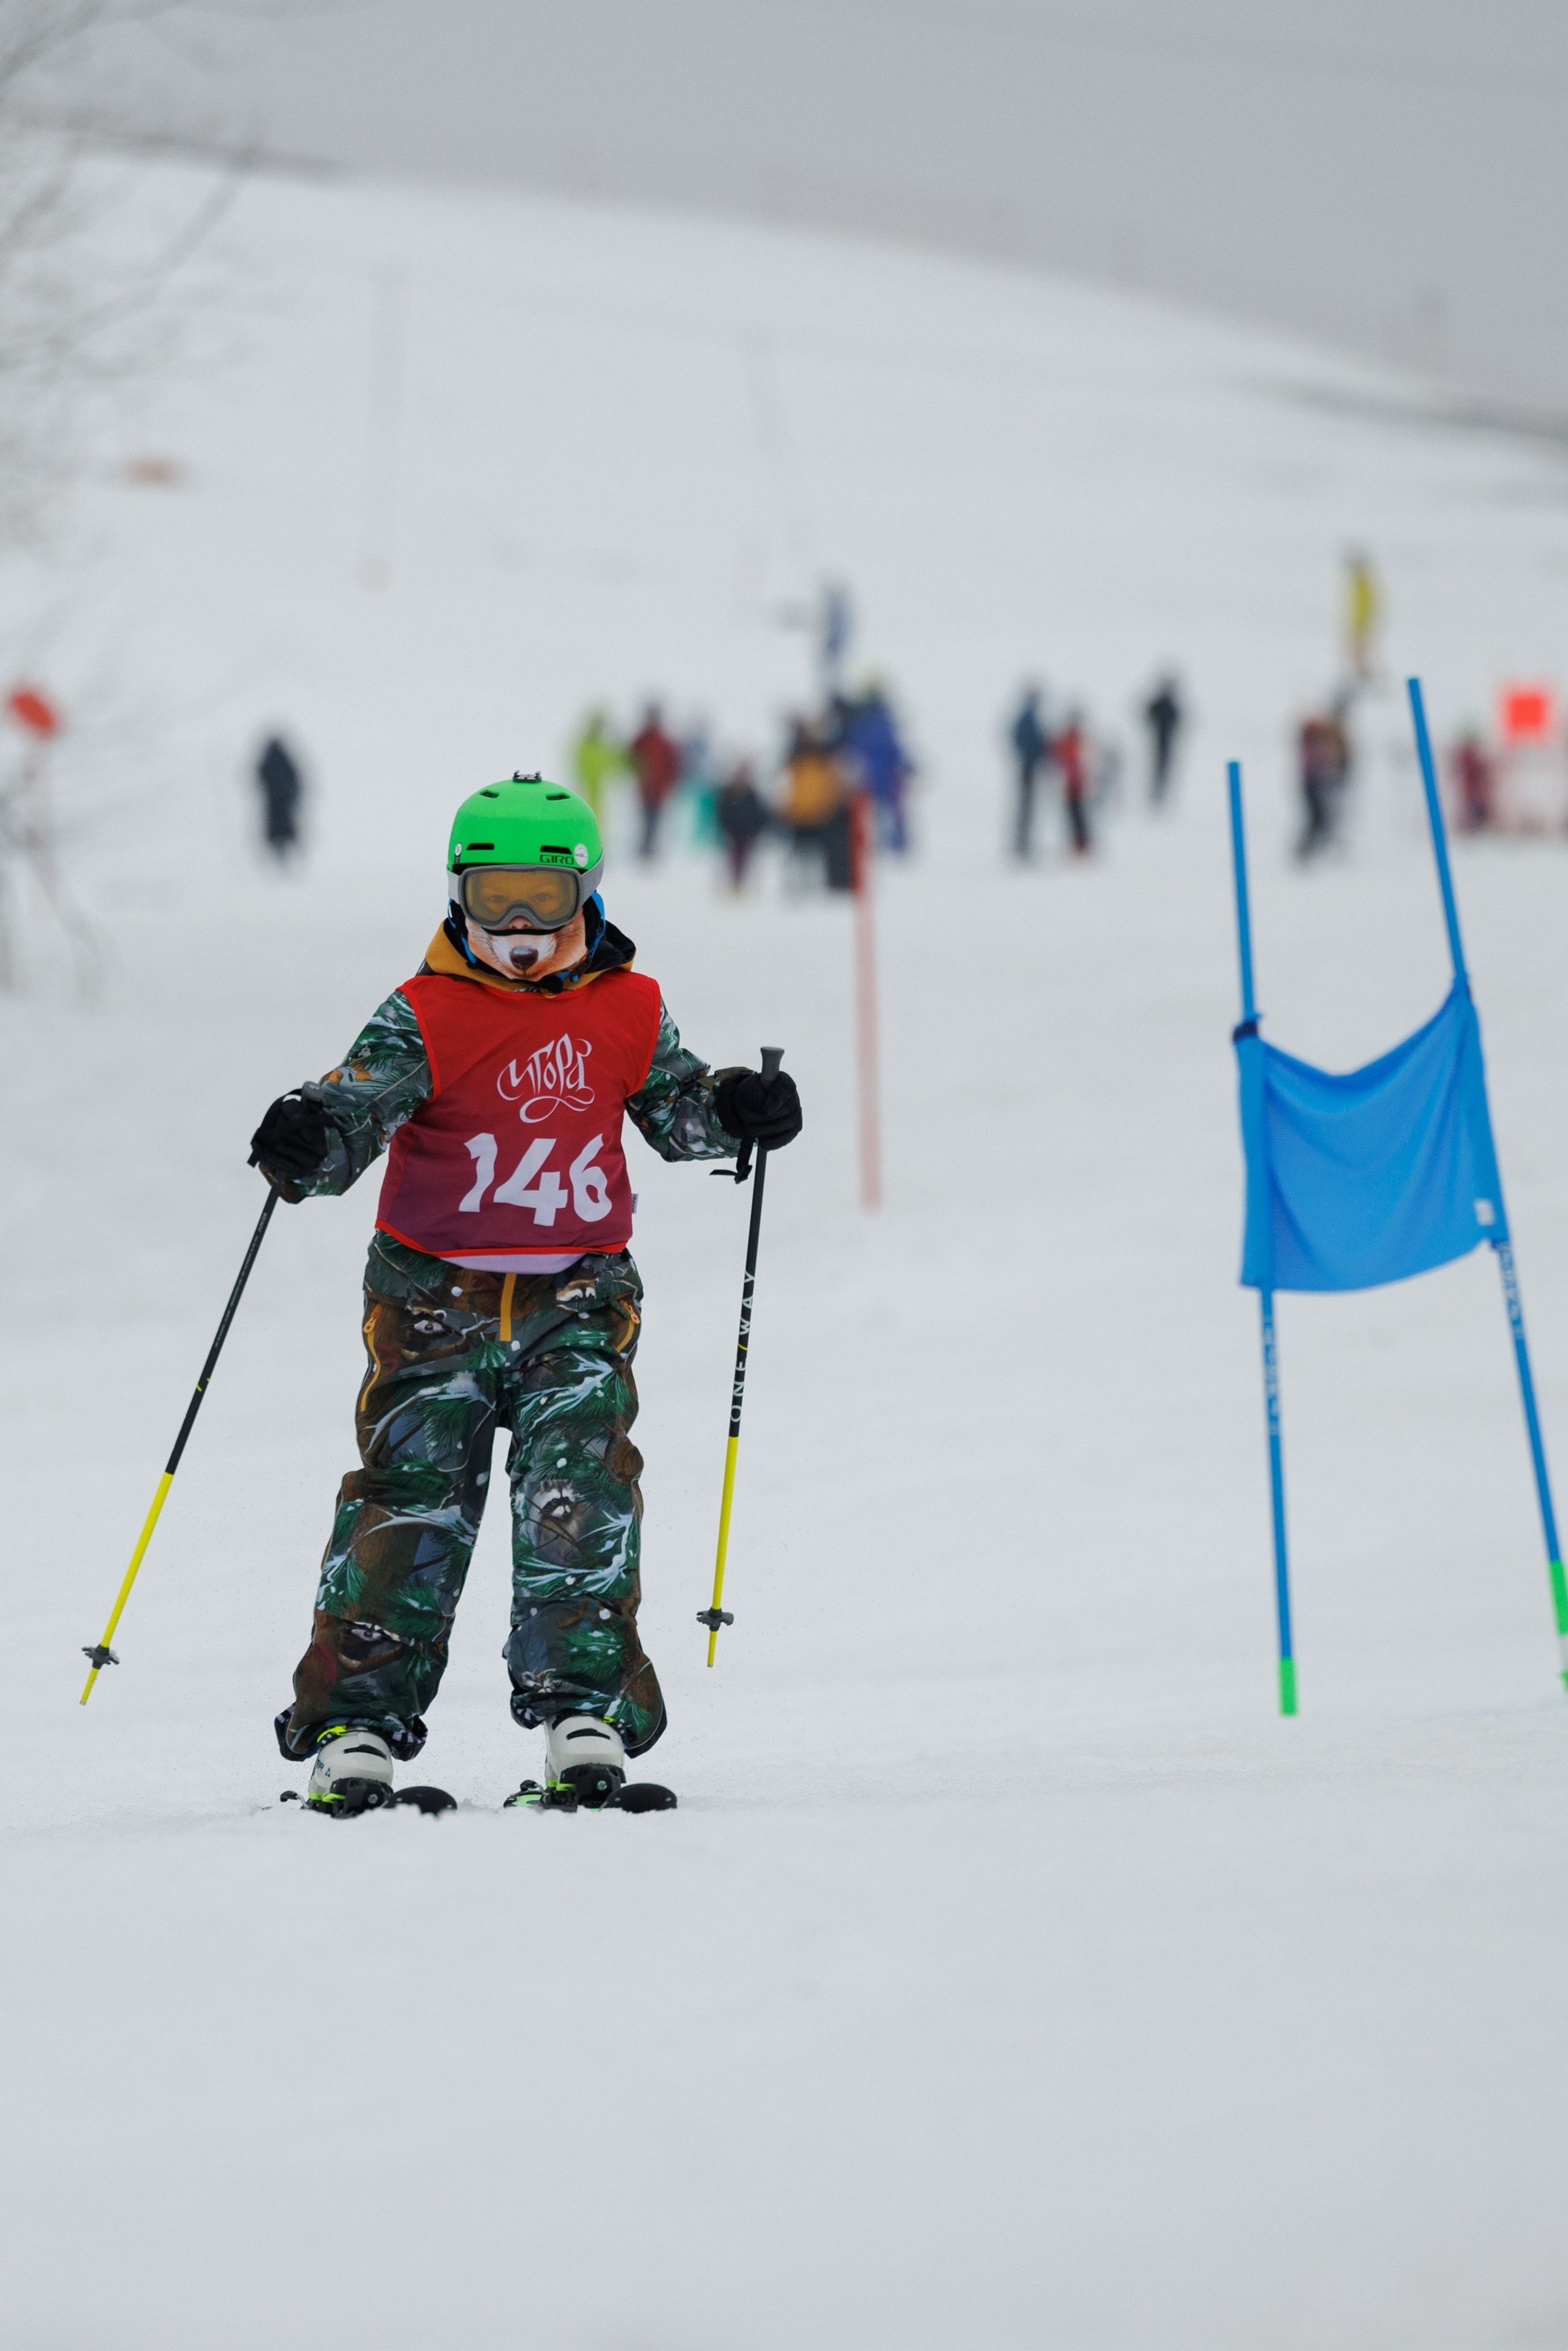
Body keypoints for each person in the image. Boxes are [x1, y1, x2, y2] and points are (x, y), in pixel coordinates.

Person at [248, 772, 803, 1814]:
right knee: (412, 1497)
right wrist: (310, 1135)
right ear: (457, 892)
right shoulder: (426, 1010)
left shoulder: (630, 1005)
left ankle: (578, 1709)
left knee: (578, 1492)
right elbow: (357, 1109)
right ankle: (354, 1725)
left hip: (579, 1298)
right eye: (493, 892)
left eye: (541, 900)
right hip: (433, 1298)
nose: (516, 924)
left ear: (585, 893)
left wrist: (738, 1107)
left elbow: (676, 1107)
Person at [780, 717, 851, 890]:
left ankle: (827, 886)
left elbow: (838, 781)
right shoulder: (795, 755)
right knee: (799, 855)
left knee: (826, 854)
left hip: (823, 813)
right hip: (800, 813)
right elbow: (784, 783)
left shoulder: (827, 755)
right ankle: (798, 888)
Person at [842, 682, 914, 853]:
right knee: (881, 814)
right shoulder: (873, 722)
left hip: (877, 778)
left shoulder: (862, 722)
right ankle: (889, 846)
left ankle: (888, 845)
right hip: (877, 778)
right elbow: (894, 750)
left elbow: (893, 751)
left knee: (880, 814)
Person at [628, 703, 680, 860]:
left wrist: (669, 782)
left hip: (658, 789)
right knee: (646, 818)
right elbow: (632, 759)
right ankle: (644, 848)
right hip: (646, 788)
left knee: (655, 819)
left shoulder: (664, 742)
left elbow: (673, 765)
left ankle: (649, 848)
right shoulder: (642, 739)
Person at [716, 758, 771, 888]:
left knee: (745, 860)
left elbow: (760, 815)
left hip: (747, 833)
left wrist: (756, 829)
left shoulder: (751, 794)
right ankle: (733, 883)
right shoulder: (729, 792)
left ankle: (743, 884)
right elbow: (722, 812)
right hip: (732, 832)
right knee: (733, 859)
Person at [1009, 686, 1049, 859]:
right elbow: (1025, 741)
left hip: (1029, 766)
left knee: (1027, 807)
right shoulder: (1028, 717)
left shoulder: (1029, 717)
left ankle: (1024, 843)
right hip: (1028, 767)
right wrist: (1031, 756)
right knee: (1026, 807)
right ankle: (1022, 845)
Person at [570, 709, 624, 826]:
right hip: (586, 789)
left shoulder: (602, 747)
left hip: (598, 790)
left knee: (598, 820)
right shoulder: (587, 745)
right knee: (588, 818)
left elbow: (618, 764)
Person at [256, 735, 303, 861]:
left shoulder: (272, 759)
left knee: (281, 828)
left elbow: (260, 775)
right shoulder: (283, 759)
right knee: (281, 828)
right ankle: (280, 856)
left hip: (278, 801)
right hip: (279, 800)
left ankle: (285, 855)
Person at [1055, 711, 1091, 856]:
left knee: (1076, 813)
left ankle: (1081, 843)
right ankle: (1080, 843)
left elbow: (1072, 762)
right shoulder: (1072, 740)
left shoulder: (1072, 740)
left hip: (1074, 783)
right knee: (1076, 814)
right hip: (1073, 782)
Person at [1142, 675, 1183, 804]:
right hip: (1157, 739)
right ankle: (1156, 792)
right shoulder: (1163, 704)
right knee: (1157, 766)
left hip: (1165, 740)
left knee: (1162, 766)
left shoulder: (1168, 705)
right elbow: (1149, 714)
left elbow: (1176, 720)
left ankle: (1159, 792)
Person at [1344, 553, 1381, 683]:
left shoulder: (1362, 583)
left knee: (1360, 651)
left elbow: (1367, 604)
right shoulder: (1359, 582)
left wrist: (1362, 622)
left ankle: (1364, 676)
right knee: (1358, 651)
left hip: (1361, 623)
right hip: (1358, 622)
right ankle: (1362, 675)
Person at [1452, 730, 1496, 832]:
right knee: (1475, 808)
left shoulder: (1472, 759)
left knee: (1476, 809)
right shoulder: (1468, 759)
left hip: (1476, 795)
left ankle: (1477, 824)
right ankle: (1475, 824)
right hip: (1473, 795)